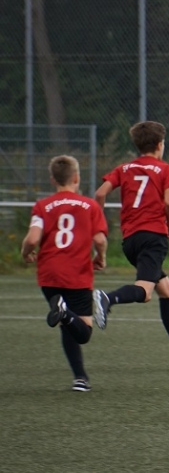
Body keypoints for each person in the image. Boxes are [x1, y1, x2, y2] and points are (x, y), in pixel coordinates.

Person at [92, 120, 169, 367]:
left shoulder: (124, 168)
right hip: (153, 238)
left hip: (130, 240)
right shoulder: (166, 170)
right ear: (160, 145)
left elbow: (100, 194)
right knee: (144, 293)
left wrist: (99, 226)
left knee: (167, 291)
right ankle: (107, 298)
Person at [21, 155, 109, 391]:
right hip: (77, 274)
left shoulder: (42, 206)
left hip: (49, 275)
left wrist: (25, 253)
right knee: (83, 332)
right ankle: (65, 315)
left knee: (66, 322)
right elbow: (100, 240)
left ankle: (80, 378)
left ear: (52, 179)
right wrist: (100, 257)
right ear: (77, 178)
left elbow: (32, 238)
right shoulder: (90, 206)